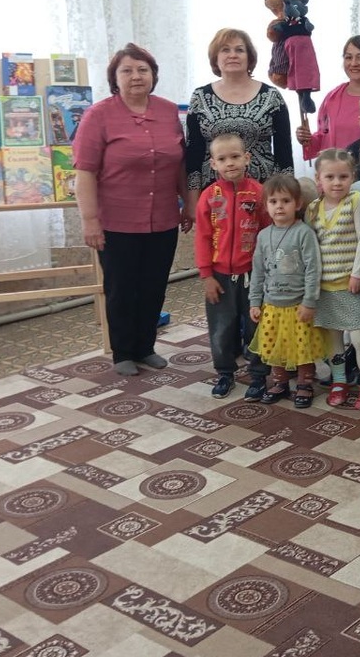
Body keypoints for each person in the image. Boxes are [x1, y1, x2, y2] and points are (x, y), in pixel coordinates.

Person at [75, 43, 192, 376]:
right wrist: (90, 220)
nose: (136, 76)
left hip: (163, 217)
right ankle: (123, 352)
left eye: (143, 69)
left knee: (154, 285)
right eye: (126, 70)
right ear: (115, 78)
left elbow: (179, 164)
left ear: (153, 75)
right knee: (122, 288)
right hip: (116, 221)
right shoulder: (98, 115)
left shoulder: (168, 111)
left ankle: (146, 346)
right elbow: (84, 172)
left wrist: (188, 203)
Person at [194, 133, 269, 400]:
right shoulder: (208, 196)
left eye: (235, 156)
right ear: (213, 163)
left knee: (256, 326)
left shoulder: (259, 193)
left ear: (246, 158)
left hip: (253, 276)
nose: (230, 163)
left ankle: (259, 375)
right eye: (223, 159)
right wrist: (206, 276)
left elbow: (268, 233)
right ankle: (225, 373)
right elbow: (202, 237)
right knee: (221, 328)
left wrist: (266, 273)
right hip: (219, 277)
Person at [306, 149, 360, 410]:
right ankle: (339, 381)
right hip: (325, 288)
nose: (337, 183)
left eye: (343, 176)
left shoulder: (356, 201)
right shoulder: (312, 209)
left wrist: (358, 273)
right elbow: (310, 247)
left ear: (352, 177)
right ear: (319, 179)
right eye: (330, 177)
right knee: (333, 340)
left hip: (351, 285)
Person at [186, 28, 294, 207]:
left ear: (249, 58)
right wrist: (192, 202)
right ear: (215, 58)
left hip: (264, 196)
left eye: (239, 50)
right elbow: (193, 154)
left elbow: (284, 154)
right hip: (214, 197)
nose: (232, 55)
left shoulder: (271, 96)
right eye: (225, 50)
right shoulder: (200, 97)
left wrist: (285, 198)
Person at [248, 175, 328, 409]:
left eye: (286, 201)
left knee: (302, 347)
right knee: (274, 344)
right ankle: (280, 382)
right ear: (266, 206)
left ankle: (304, 384)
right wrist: (255, 301)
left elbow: (313, 269)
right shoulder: (263, 235)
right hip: (271, 305)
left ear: (298, 203)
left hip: (298, 305)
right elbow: (258, 271)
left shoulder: (303, 233)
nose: (279, 206)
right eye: (273, 201)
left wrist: (309, 301)